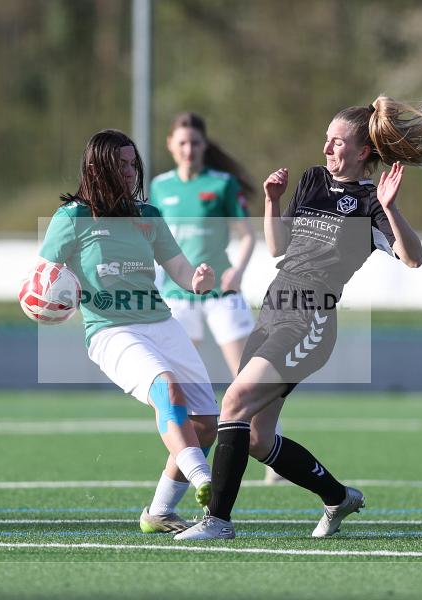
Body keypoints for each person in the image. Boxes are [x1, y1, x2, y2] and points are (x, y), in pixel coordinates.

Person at [175, 96, 422, 540]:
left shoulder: (370, 203)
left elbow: (413, 259)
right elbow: (278, 247)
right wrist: (271, 200)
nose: (326, 149)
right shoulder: (313, 180)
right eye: (325, 140)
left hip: (309, 321)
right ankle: (339, 498)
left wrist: (391, 207)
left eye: (337, 143)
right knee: (258, 438)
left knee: (234, 403)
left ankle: (217, 522)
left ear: (362, 152)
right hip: (274, 308)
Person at [38, 129, 218, 534]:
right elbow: (42, 278)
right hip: (111, 331)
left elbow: (181, 270)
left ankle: (158, 513)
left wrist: (199, 280)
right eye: (120, 164)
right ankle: (205, 478)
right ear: (97, 167)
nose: (129, 171)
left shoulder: (148, 216)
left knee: (206, 422)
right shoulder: (72, 219)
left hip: (161, 323)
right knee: (168, 390)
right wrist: (45, 303)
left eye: (132, 163)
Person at [149, 112, 285, 484]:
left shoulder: (221, 184)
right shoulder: (160, 187)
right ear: (170, 146)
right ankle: (186, 453)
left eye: (194, 142)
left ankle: (272, 446)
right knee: (177, 378)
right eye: (182, 143)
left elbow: (245, 235)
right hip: (179, 294)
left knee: (249, 372)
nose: (188, 149)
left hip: (221, 293)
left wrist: (237, 271)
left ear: (204, 146)